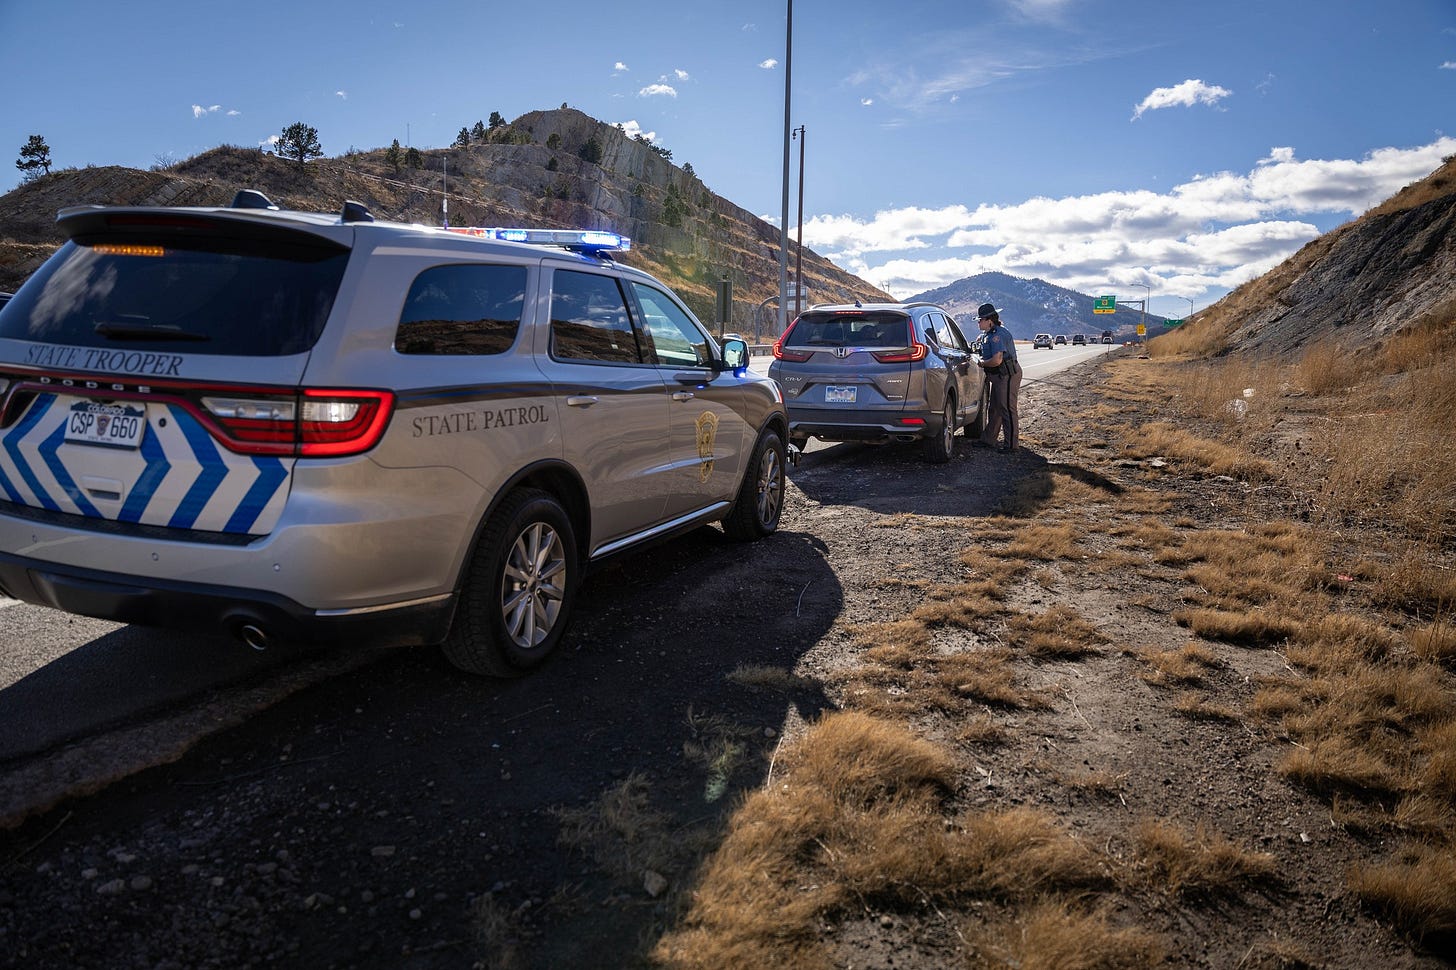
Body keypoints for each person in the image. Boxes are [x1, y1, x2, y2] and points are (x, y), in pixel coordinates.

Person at [973, 303, 1021, 452]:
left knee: (1007, 408)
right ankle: (988, 440)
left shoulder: (997, 335)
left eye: (980, 320)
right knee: (994, 408)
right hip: (999, 376)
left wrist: (981, 364)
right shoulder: (988, 335)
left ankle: (1012, 445)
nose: (978, 322)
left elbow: (997, 360)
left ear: (989, 321)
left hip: (1007, 375)